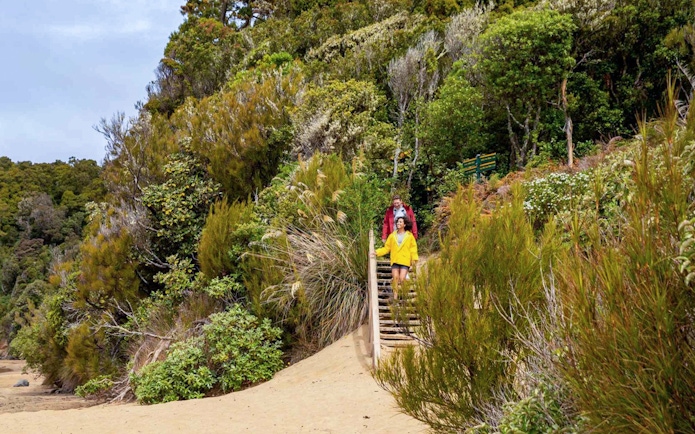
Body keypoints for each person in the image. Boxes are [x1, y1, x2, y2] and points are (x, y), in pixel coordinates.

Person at [372, 216, 418, 300]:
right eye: (397, 222)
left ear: (404, 224)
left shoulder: (409, 236)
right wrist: (377, 252)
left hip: (405, 260)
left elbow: (413, 249)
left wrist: (414, 259)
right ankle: (395, 298)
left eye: (400, 222)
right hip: (395, 260)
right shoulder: (392, 235)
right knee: (395, 278)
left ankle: (404, 295)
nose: (398, 223)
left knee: (402, 278)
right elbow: (387, 248)